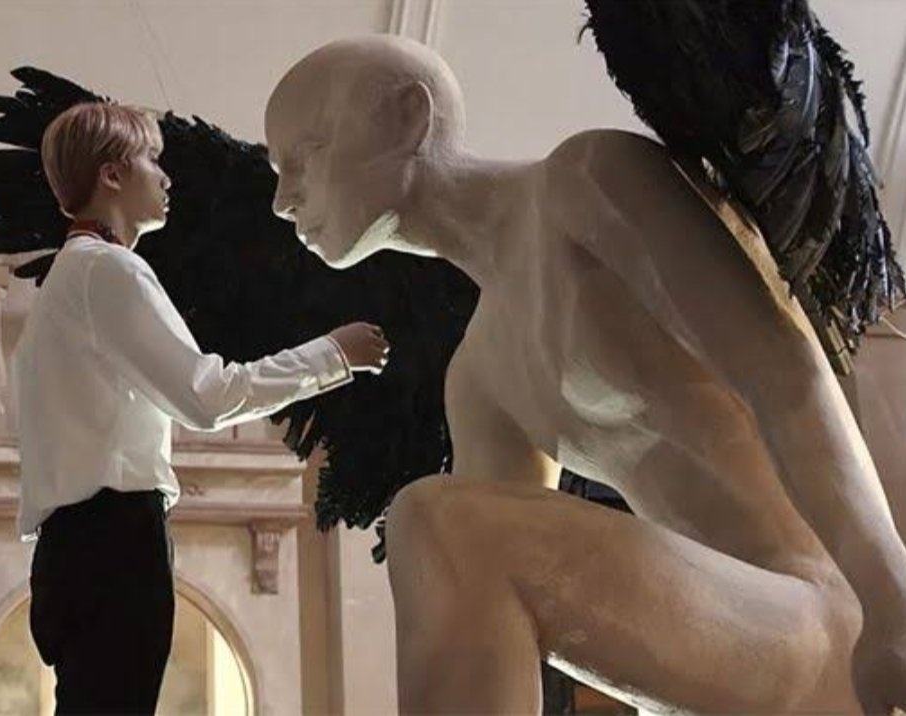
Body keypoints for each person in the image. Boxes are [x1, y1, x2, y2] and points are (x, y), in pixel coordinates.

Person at [264, 35, 906, 713]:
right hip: (714, 644)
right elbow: (489, 605)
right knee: (446, 527)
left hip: (818, 623)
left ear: (407, 117)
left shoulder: (589, 183)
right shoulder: (480, 377)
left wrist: (890, 594)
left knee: (436, 519)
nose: (282, 200)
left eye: (306, 155)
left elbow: (784, 370)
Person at [12, 101, 389, 714]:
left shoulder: (63, 284)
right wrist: (334, 355)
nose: (165, 177)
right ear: (112, 175)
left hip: (68, 551)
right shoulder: (109, 271)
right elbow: (209, 396)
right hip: (115, 543)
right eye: (151, 160)